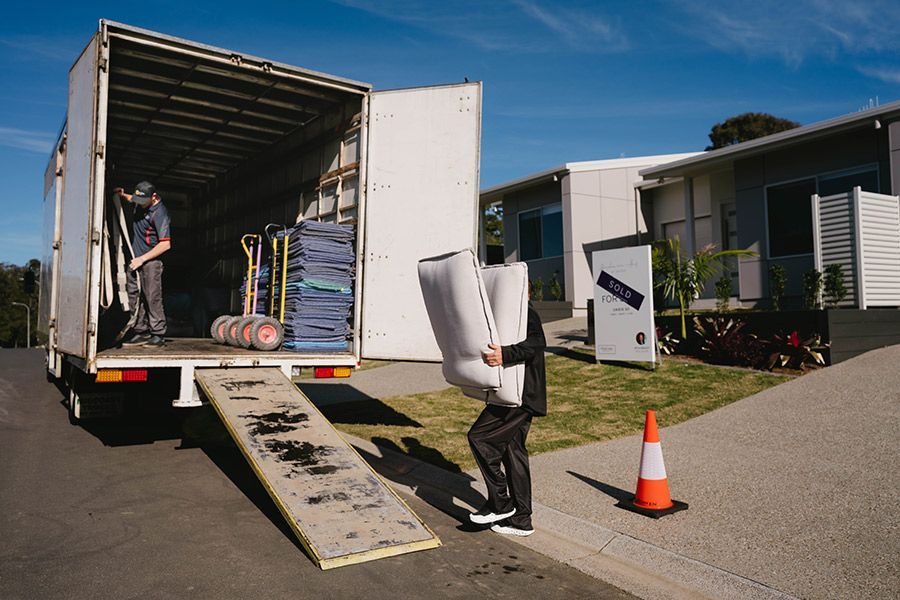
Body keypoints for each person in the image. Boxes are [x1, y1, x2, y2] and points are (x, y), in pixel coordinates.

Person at [467, 285, 547, 537]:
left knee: (479, 438)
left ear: (527, 292)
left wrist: (505, 354)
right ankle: (522, 520)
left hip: (520, 397)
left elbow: (536, 344)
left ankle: (501, 503)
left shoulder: (527, 313)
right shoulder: (507, 316)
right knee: (514, 455)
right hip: (514, 395)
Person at [113, 181, 171, 347]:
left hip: (150, 261)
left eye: (142, 200)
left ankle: (158, 334)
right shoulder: (141, 200)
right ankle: (141, 331)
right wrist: (122, 195)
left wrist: (142, 259)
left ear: (153, 197)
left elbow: (165, 244)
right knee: (133, 294)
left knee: (152, 297)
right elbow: (133, 198)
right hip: (135, 259)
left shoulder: (160, 213)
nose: (138, 203)